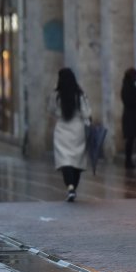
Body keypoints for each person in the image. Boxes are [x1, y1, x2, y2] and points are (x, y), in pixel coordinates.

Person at [49, 68, 92, 202]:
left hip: (62, 129)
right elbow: (87, 113)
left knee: (65, 160)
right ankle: (73, 187)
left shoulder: (56, 96)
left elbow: (52, 111)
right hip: (78, 129)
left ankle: (70, 186)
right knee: (76, 161)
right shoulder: (80, 95)